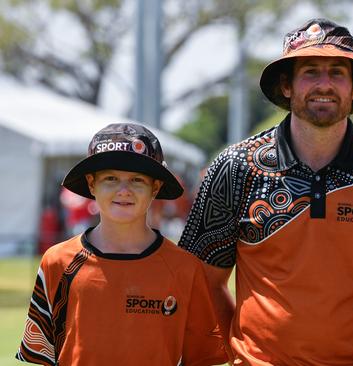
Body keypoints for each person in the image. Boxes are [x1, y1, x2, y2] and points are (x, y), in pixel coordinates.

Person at [178, 18, 353, 365]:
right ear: (287, 85)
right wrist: (243, 351)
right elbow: (202, 283)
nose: (324, 84)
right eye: (310, 72)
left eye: (337, 72)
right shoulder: (237, 166)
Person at [17, 123, 227, 366]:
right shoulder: (57, 261)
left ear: (155, 188)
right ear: (91, 184)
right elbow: (43, 355)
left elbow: (202, 358)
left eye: (137, 179)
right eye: (111, 178)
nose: (124, 190)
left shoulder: (185, 268)